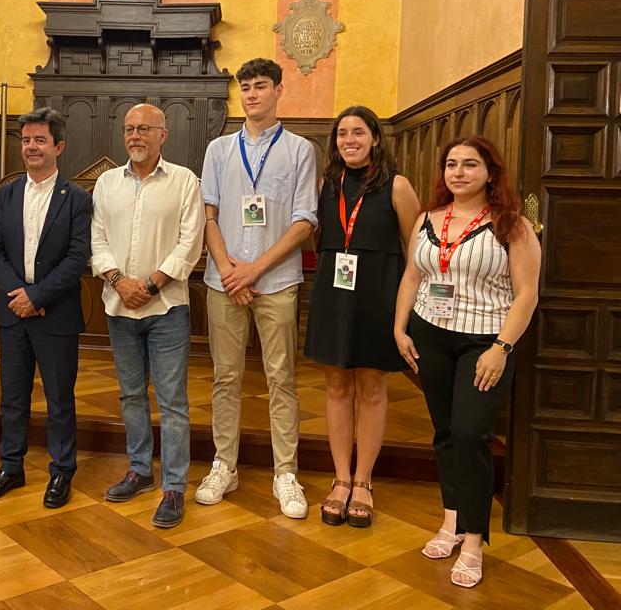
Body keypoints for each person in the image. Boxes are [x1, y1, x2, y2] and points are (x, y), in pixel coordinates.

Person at [395, 136, 540, 589]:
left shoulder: (513, 225)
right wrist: (400, 329)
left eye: (470, 165)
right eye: (451, 164)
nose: (458, 172)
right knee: (443, 432)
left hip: (484, 341)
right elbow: (413, 276)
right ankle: (452, 520)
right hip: (430, 336)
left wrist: (502, 348)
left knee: (471, 434)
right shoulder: (426, 218)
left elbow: (526, 294)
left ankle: (475, 538)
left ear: (490, 173)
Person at [196, 57, 318, 518]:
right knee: (225, 378)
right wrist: (230, 268)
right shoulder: (219, 150)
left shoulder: (300, 150)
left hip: (277, 281)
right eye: (245, 87)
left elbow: (305, 221)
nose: (251, 94)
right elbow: (207, 214)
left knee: (281, 379)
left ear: (278, 91)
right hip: (223, 281)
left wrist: (255, 270)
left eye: (261, 86)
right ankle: (224, 464)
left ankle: (285, 472)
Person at [303, 106, 420, 527]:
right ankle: (339, 479)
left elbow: (417, 252)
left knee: (371, 386)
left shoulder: (398, 186)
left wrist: (405, 313)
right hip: (334, 293)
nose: (348, 140)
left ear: (375, 138)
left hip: (379, 294)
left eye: (357, 132)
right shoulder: (325, 184)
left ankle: (364, 482)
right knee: (336, 385)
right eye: (341, 134)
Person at [93, 104, 205, 528]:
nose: (135, 136)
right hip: (119, 306)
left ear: (164, 134)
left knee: (173, 402)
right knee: (131, 394)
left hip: (167, 308)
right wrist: (121, 281)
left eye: (144, 129)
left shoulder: (183, 182)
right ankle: (140, 470)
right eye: (129, 129)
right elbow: (97, 238)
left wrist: (152, 284)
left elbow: (190, 242)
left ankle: (174, 486)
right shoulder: (106, 183)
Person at [0, 107, 91, 509]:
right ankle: (11, 466)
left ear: (58, 146)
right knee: (13, 396)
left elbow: (78, 257)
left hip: (55, 314)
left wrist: (38, 296)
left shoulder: (77, 198)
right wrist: (18, 296)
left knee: (60, 398)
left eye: (40, 140)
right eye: (26, 140)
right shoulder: (7, 193)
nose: (31, 147)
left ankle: (62, 471)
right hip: (13, 313)